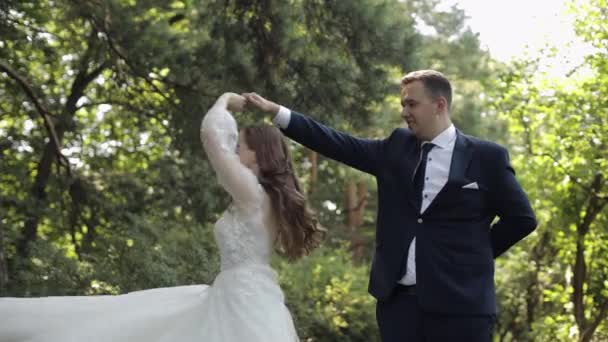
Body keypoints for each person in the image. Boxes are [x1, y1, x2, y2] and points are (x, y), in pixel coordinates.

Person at [0, 92, 324, 342]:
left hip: (239, 297)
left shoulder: (251, 191)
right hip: (248, 294)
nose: (236, 150)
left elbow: (212, 137)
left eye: (241, 145)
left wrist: (224, 100)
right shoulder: (265, 197)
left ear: (257, 152)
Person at [243, 69, 537, 342]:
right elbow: (338, 143)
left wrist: (476, 255)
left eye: (412, 104)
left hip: (462, 308)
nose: (404, 112)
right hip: (399, 306)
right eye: (403, 104)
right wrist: (278, 113)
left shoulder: (487, 157)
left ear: (439, 105)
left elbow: (522, 218)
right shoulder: (396, 147)